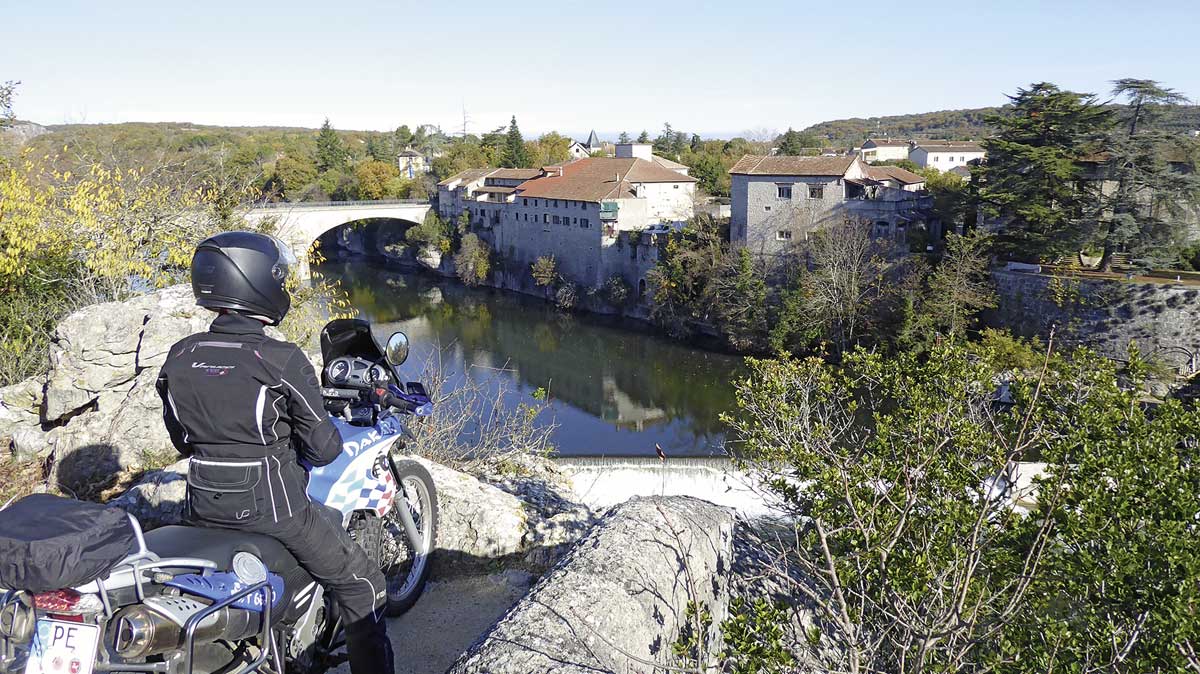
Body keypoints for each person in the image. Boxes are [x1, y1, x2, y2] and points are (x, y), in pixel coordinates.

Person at [155, 231, 394, 674]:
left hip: (202, 507)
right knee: (364, 586)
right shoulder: (279, 359)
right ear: (258, 282)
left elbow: (182, 440)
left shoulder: (180, 356)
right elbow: (324, 450)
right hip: (278, 512)